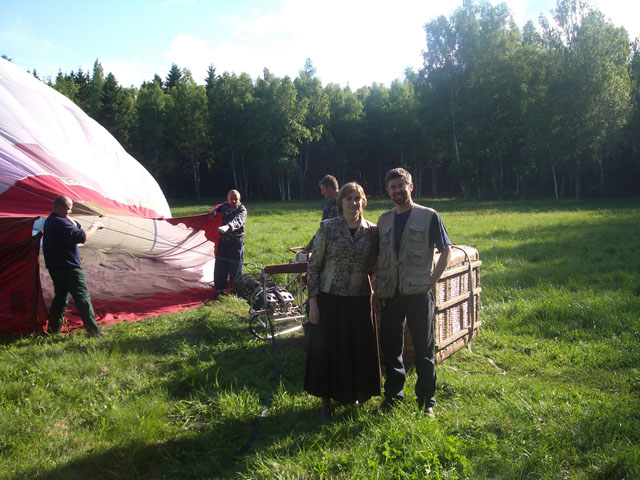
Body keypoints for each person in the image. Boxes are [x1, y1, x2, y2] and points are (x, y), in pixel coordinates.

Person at [373, 168, 452, 418]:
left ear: (411, 186)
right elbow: (379, 257)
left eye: (401, 185)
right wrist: (377, 290)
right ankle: (393, 397)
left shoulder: (429, 216)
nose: (397, 190)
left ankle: (427, 401)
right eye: (393, 187)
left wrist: (432, 281)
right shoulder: (384, 220)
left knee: (423, 350)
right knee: (391, 348)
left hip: (419, 293)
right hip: (391, 292)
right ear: (388, 191)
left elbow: (446, 250)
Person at [304, 181, 381, 420]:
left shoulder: (373, 231)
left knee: (355, 349)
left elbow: (375, 267)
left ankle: (352, 393)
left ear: (363, 202)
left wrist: (375, 293)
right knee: (328, 350)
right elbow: (314, 267)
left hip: (359, 299)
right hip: (330, 298)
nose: (353, 203)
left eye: (357, 198)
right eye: (348, 198)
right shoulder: (328, 227)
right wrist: (313, 303)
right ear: (341, 202)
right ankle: (326, 399)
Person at [42, 195, 104, 337]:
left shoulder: (51, 220)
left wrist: (70, 219)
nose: (70, 212)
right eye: (68, 209)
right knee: (83, 299)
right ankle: (94, 332)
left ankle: (53, 331)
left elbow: (75, 228)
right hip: (69, 268)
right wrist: (94, 226)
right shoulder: (60, 223)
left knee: (60, 299)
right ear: (59, 208)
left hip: (55, 267)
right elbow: (82, 237)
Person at [210, 189, 247, 293]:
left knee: (235, 268)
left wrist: (227, 227)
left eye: (236, 199)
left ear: (239, 199)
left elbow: (238, 221)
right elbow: (216, 209)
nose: (234, 201)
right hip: (223, 241)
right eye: (231, 199)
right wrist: (213, 212)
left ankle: (236, 292)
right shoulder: (225, 206)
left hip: (236, 243)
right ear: (228, 199)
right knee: (220, 267)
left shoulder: (242, 210)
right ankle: (220, 291)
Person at [305, 174, 340, 252]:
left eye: (323, 189)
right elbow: (323, 227)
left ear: (330, 188)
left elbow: (327, 229)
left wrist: (312, 244)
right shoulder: (329, 203)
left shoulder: (343, 203)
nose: (321, 192)